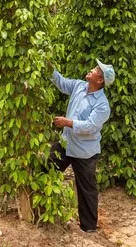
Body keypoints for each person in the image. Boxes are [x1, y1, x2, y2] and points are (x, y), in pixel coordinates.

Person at [49, 60, 113, 234]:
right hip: (66, 143)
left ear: (100, 80)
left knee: (86, 190)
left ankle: (89, 227)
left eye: (95, 70)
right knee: (46, 169)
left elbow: (90, 126)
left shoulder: (102, 105)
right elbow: (61, 82)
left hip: (84, 152)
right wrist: (49, 66)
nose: (91, 70)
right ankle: (41, 207)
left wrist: (67, 122)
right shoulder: (78, 86)